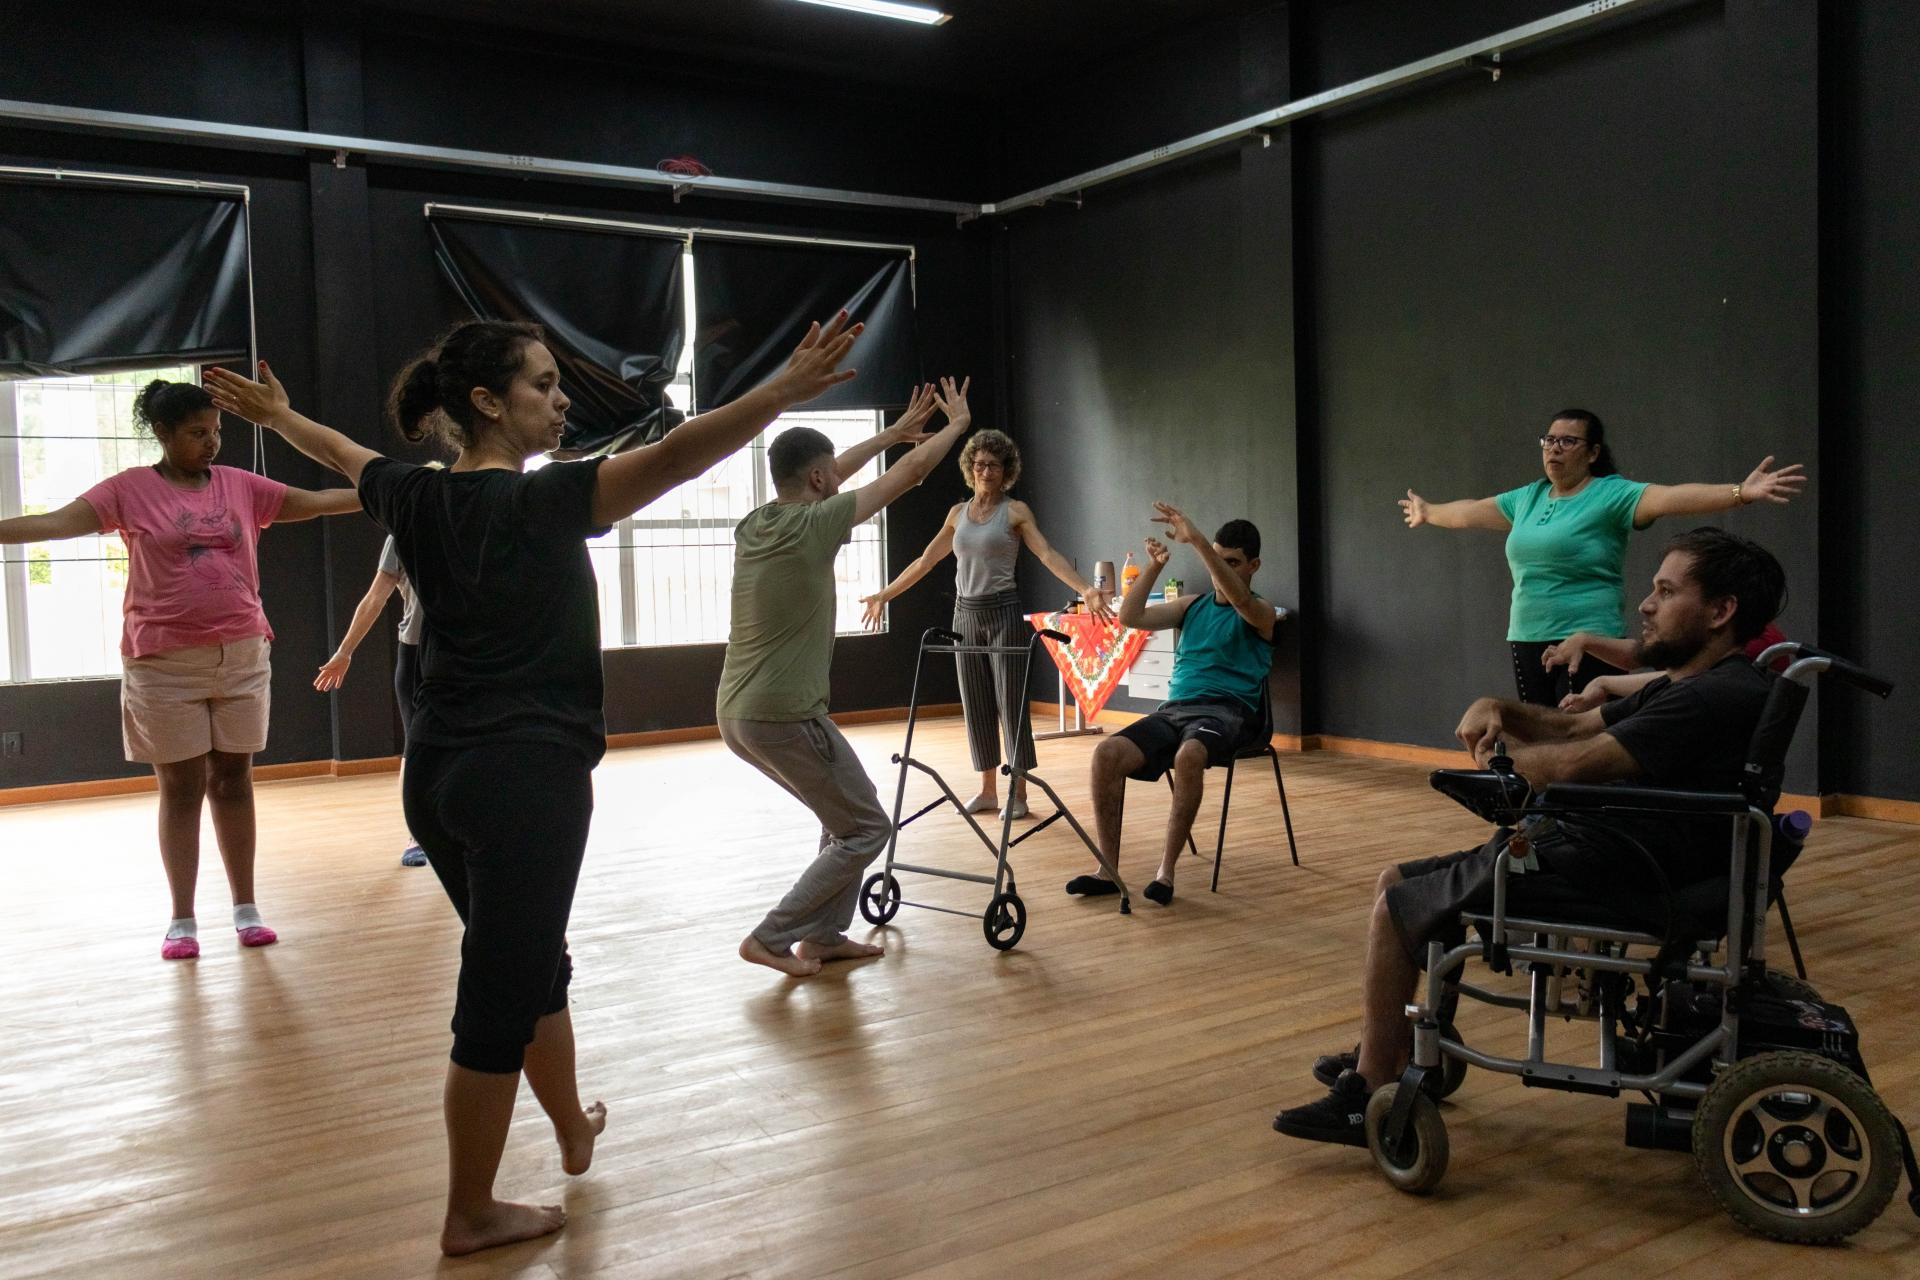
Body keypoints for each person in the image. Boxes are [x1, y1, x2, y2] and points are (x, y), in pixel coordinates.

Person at [205, 310, 860, 1256]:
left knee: (530, 962)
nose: (561, 402)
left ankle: (570, 1130)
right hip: (528, 785)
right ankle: (469, 1211)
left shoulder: (415, 497)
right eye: (543, 387)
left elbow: (341, 451)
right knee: (500, 991)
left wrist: (281, 414)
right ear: (486, 403)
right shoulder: (542, 501)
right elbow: (677, 456)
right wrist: (777, 393)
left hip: (436, 776)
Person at [1272, 528, 1786, 1147]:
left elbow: (1573, 764)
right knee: (1397, 880)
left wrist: (1500, 764)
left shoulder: (1706, 700)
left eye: (1666, 590)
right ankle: (1397, 1050)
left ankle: (1368, 1094)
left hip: (1624, 871)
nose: (1646, 605)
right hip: (1619, 852)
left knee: (1396, 905)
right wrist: (1502, 707)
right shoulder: (1688, 685)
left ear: (1721, 610)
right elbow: (1575, 729)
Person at [0, 378, 362, 960]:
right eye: (198, 432)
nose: (212, 442)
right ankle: (182, 918)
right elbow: (50, 524)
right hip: (163, 663)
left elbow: (317, 501)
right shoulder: (128, 491)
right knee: (181, 787)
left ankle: (246, 909)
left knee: (233, 779)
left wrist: (401, 490)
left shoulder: (240, 487)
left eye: (216, 430)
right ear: (163, 434)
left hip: (242, 655)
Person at [723, 377, 973, 979]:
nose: (837, 478)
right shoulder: (816, 524)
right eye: (830, 473)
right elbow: (908, 474)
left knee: (842, 820)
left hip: (737, 714)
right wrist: (956, 427)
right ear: (818, 481)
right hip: (784, 714)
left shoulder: (756, 522)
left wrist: (885, 433)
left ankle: (824, 937)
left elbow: (834, 472)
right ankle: (773, 934)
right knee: (866, 827)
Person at [1397, 409, 1804, 705]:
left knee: (1578, 734)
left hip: (1588, 636)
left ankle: (1581, 820)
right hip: (1526, 633)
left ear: (1592, 452)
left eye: (1568, 441)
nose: (1554, 448)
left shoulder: (1610, 494)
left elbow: (1669, 497)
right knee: (1539, 730)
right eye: (1549, 440)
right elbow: (1469, 511)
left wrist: (1740, 493)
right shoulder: (1528, 498)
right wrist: (1429, 512)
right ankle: (1547, 819)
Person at [859, 425, 1113, 819]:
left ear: (1005, 470)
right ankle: (988, 790)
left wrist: (1087, 589)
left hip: (1003, 613)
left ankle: (1020, 794)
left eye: (993, 465)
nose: (985, 471)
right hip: (965, 615)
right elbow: (926, 560)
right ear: (970, 468)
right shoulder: (957, 514)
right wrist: (884, 594)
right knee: (976, 704)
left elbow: (1047, 554)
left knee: (1011, 705)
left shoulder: (1015, 512)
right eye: (979, 464)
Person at [1068, 504, 1282, 907]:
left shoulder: (1261, 612)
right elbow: (1130, 617)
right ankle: (1107, 870)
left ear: (1254, 565)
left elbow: (1238, 600)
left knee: (1190, 755)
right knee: (1107, 753)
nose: (1222, 568)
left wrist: (1198, 542)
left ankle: (1165, 872)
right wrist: (1154, 566)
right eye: (1219, 559)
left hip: (1230, 714)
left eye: (1232, 562)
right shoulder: (1192, 606)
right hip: (1176, 710)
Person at [312, 463, 445, 866]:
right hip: (417, 652)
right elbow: (374, 598)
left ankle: (461, 829)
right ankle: (417, 835)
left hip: (460, 652)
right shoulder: (401, 536)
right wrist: (344, 651)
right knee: (417, 746)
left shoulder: (467, 530)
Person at [1546, 619, 1791, 712]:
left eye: (1667, 591)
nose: (1647, 605)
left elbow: (1688, 681)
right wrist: (1586, 641)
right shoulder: (1710, 632)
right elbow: (1640, 654)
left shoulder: (1747, 640)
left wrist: (1605, 683)